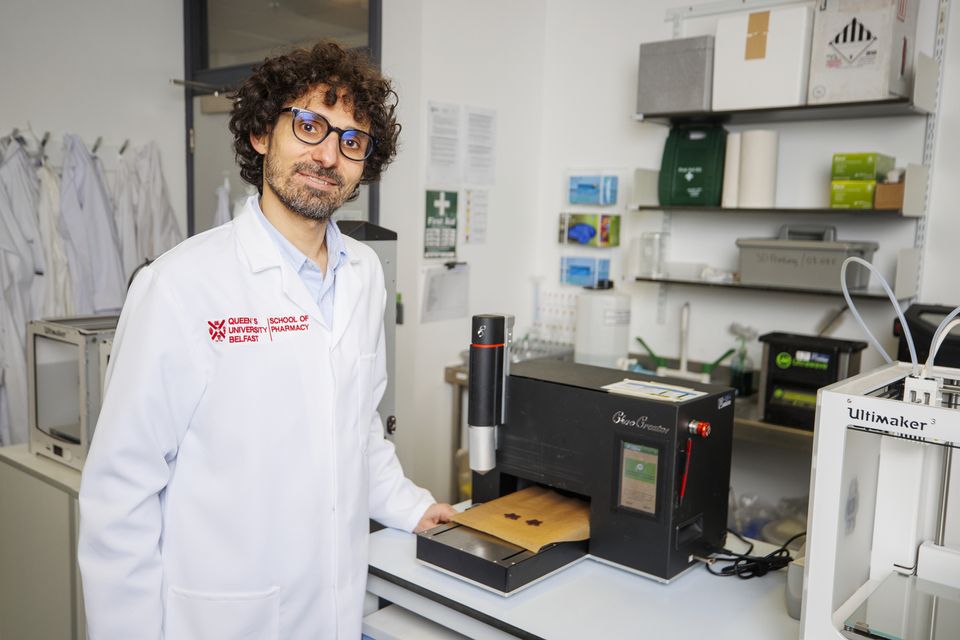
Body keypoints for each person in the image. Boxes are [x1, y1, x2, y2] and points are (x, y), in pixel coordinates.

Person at [78, 41, 456, 639]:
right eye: (309, 125)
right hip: (222, 618)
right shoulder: (179, 287)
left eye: (351, 140)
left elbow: (357, 430)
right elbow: (119, 496)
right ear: (261, 135)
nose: (328, 155)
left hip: (332, 613)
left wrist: (412, 508)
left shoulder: (364, 277)